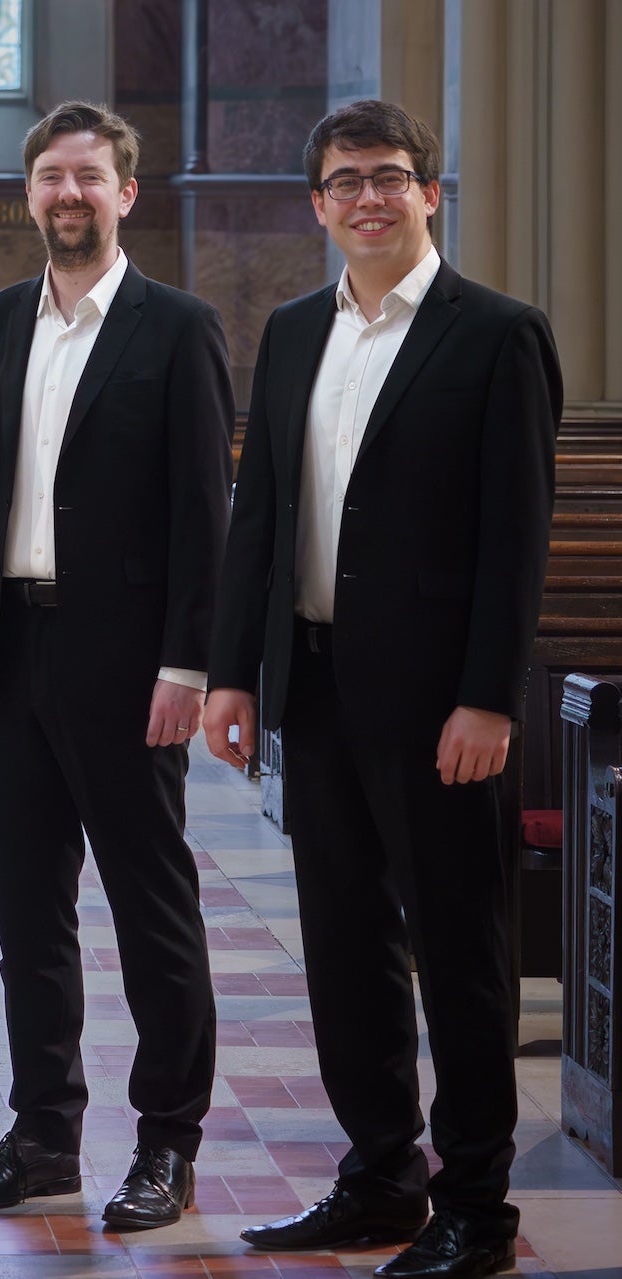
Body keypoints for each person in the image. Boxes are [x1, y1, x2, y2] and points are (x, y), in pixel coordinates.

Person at [205, 100, 560, 1279]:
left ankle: (475, 1207)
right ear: (316, 205)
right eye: (344, 180)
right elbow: (258, 518)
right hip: (310, 684)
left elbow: (515, 539)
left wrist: (489, 698)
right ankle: (375, 1179)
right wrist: (231, 675)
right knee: (343, 947)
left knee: (458, 951)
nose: (366, 197)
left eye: (388, 177)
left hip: (435, 707)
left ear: (427, 196)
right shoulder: (295, 330)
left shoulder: (494, 334)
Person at [0, 100, 233, 1228]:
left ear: (124, 193)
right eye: (50, 176)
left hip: (125, 663)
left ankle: (164, 1141)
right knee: (28, 914)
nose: (68, 194)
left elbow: (204, 514)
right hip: (11, 653)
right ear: (29, 193)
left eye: (88, 176)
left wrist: (187, 666)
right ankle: (43, 1132)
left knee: (151, 908)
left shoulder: (174, 326)